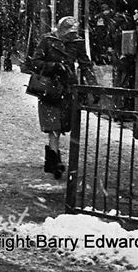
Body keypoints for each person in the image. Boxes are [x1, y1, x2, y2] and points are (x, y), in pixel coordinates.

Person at [25, 16, 96, 180]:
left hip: (67, 88)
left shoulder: (77, 43)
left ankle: (53, 160)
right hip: (49, 89)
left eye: (73, 34)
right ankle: (54, 161)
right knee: (53, 126)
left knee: (64, 125)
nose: (71, 37)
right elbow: (34, 62)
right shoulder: (47, 40)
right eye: (68, 33)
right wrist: (54, 66)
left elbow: (85, 65)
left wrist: (94, 87)